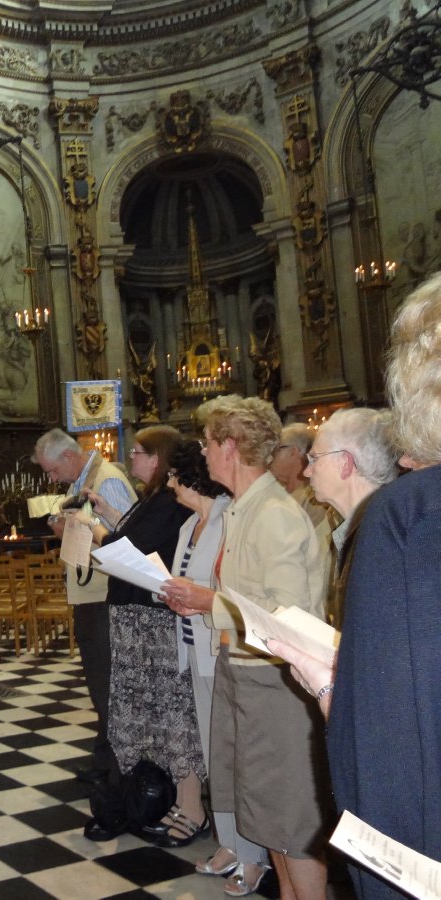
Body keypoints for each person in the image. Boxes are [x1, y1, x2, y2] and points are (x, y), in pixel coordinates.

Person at [272, 274, 441, 899]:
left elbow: (385, 743)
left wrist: (326, 685)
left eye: (313, 457)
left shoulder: (408, 517)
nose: (303, 468)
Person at [161, 396, 330, 899]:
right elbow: (245, 601)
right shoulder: (244, 510)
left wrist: (208, 601)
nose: (205, 454)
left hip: (277, 681)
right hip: (242, 669)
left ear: (229, 447)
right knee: (265, 814)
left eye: (209, 443)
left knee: (292, 820)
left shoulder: (273, 514)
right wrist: (205, 605)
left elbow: (289, 618)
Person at [81, 426, 200, 847]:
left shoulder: (168, 501)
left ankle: (190, 806)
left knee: (170, 713)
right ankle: (158, 797)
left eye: (137, 452)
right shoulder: (153, 498)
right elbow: (133, 534)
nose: (129, 458)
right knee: (146, 716)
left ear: (158, 458)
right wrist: (107, 515)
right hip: (134, 616)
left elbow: (127, 546)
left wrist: (94, 532)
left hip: (152, 618)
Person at [161, 440, 272, 886]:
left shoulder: (232, 518)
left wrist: (199, 600)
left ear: (192, 476)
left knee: (235, 755)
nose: (169, 483)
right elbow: (186, 580)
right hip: (193, 648)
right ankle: (230, 842)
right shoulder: (191, 523)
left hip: (225, 647)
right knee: (213, 752)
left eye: (174, 474)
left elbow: (235, 590)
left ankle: (254, 854)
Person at [32, 428, 137, 784]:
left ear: (68, 456)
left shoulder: (106, 480)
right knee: (99, 685)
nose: (51, 478)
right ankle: (106, 764)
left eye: (51, 470)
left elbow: (125, 536)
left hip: (106, 596)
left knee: (108, 684)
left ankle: (120, 772)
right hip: (91, 593)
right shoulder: (82, 481)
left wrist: (74, 526)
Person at [301, 408, 398, 627]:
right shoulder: (364, 528)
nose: (306, 471)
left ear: (345, 464)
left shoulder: (385, 538)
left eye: (314, 458)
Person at [271, 423, 328, 528]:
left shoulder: (315, 499)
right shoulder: (272, 488)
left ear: (293, 452)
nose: (270, 456)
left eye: (275, 450)